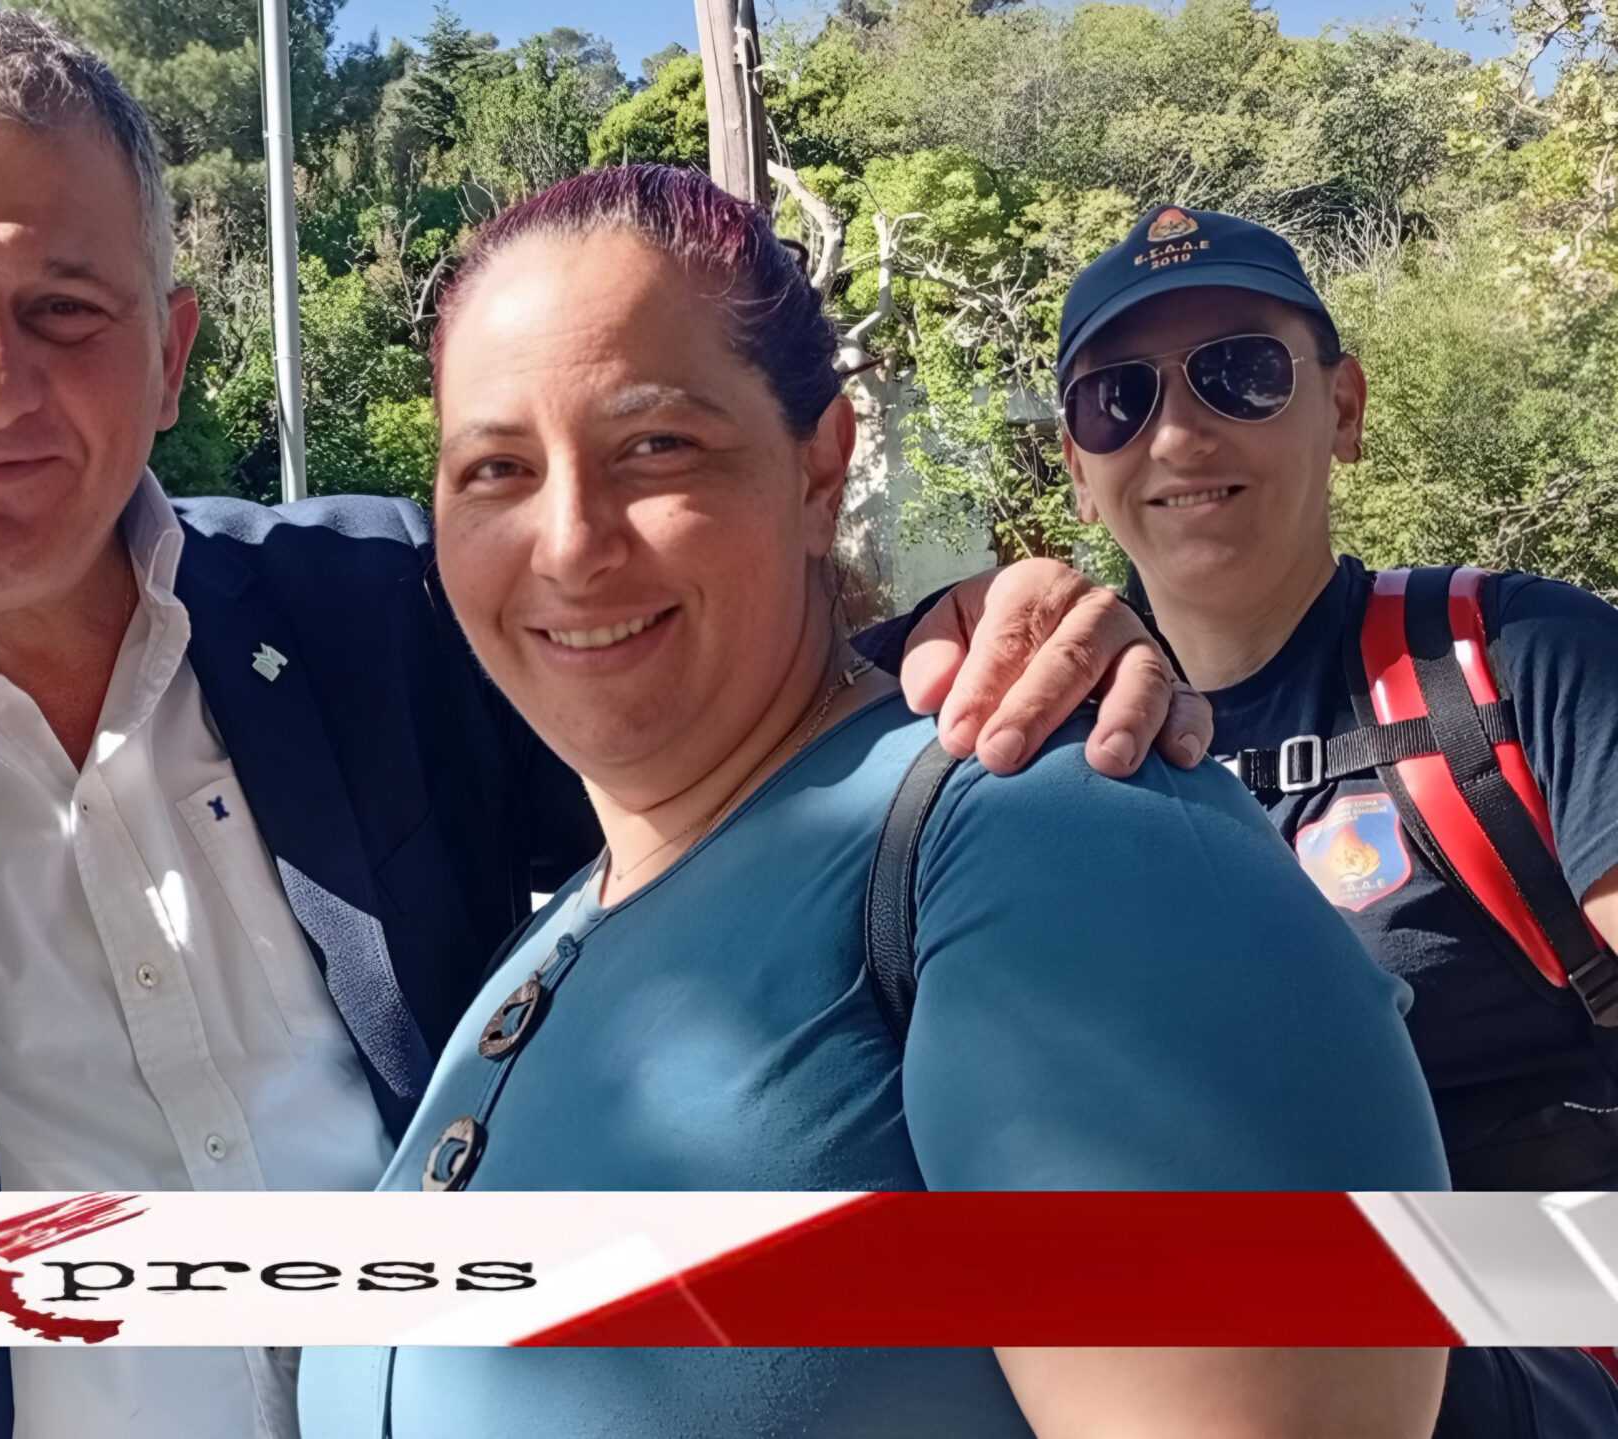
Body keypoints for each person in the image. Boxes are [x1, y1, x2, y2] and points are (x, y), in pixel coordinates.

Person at [0, 15, 1203, 1439]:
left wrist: (960, 650)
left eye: (65, 311)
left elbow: (706, 719)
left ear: (173, 350)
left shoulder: (374, 606)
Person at [299, 165, 1451, 1438]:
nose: (569, 542)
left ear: (819, 468)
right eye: (495, 469)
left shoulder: (1055, 839)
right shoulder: (558, 935)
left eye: (657, 446)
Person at [1040, 203, 1618, 1430]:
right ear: (1078, 471)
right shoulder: (1039, 764)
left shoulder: (1513, 661)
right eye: (1116, 399)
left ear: (1343, 409)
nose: (1177, 433)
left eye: (1241, 373)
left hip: (1544, 1324)